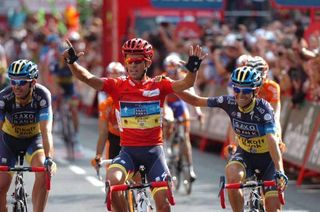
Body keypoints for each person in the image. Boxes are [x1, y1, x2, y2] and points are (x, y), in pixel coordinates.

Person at [63, 37, 206, 212]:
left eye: (137, 61)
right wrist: (72, 63)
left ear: (147, 62)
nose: (132, 65)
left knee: (163, 205)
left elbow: (186, 83)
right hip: (128, 153)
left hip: (154, 154)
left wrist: (193, 69)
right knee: (112, 183)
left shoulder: (159, 84)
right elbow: (87, 77)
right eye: (129, 60)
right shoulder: (118, 85)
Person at [177, 66, 288, 211]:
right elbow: (197, 101)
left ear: (255, 91)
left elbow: (272, 139)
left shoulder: (264, 109)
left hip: (268, 159)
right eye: (237, 90)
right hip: (245, 154)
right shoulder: (228, 102)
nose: (241, 95)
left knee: (273, 208)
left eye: (247, 91)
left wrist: (280, 170)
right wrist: (173, 87)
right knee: (232, 175)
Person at [0, 59, 56, 212]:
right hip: (8, 142)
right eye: (13, 81)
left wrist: (49, 159)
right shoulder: (4, 97)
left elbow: (46, 131)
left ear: (33, 82)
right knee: (1, 185)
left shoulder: (42, 95)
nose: (16, 87)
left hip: (34, 140)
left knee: (44, 173)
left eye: (22, 82)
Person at [162, 53, 203, 182]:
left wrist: (198, 112)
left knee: (185, 138)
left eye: (174, 67)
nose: (172, 70)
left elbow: (193, 96)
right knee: (166, 127)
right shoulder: (163, 78)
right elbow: (162, 101)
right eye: (170, 66)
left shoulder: (183, 77)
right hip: (167, 104)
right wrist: (165, 114)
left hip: (180, 106)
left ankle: (190, 168)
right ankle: (166, 150)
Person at [91, 62, 125, 168]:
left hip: (132, 138)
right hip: (114, 137)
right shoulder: (106, 103)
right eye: (112, 74)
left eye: (117, 75)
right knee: (111, 173)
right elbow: (103, 132)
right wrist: (98, 155)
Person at [50, 46, 82, 156]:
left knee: (73, 110)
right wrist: (56, 94)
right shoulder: (56, 66)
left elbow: (77, 79)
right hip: (59, 88)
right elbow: (54, 82)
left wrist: (78, 92)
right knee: (53, 111)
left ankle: (76, 134)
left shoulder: (71, 64)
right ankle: (50, 135)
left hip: (70, 89)